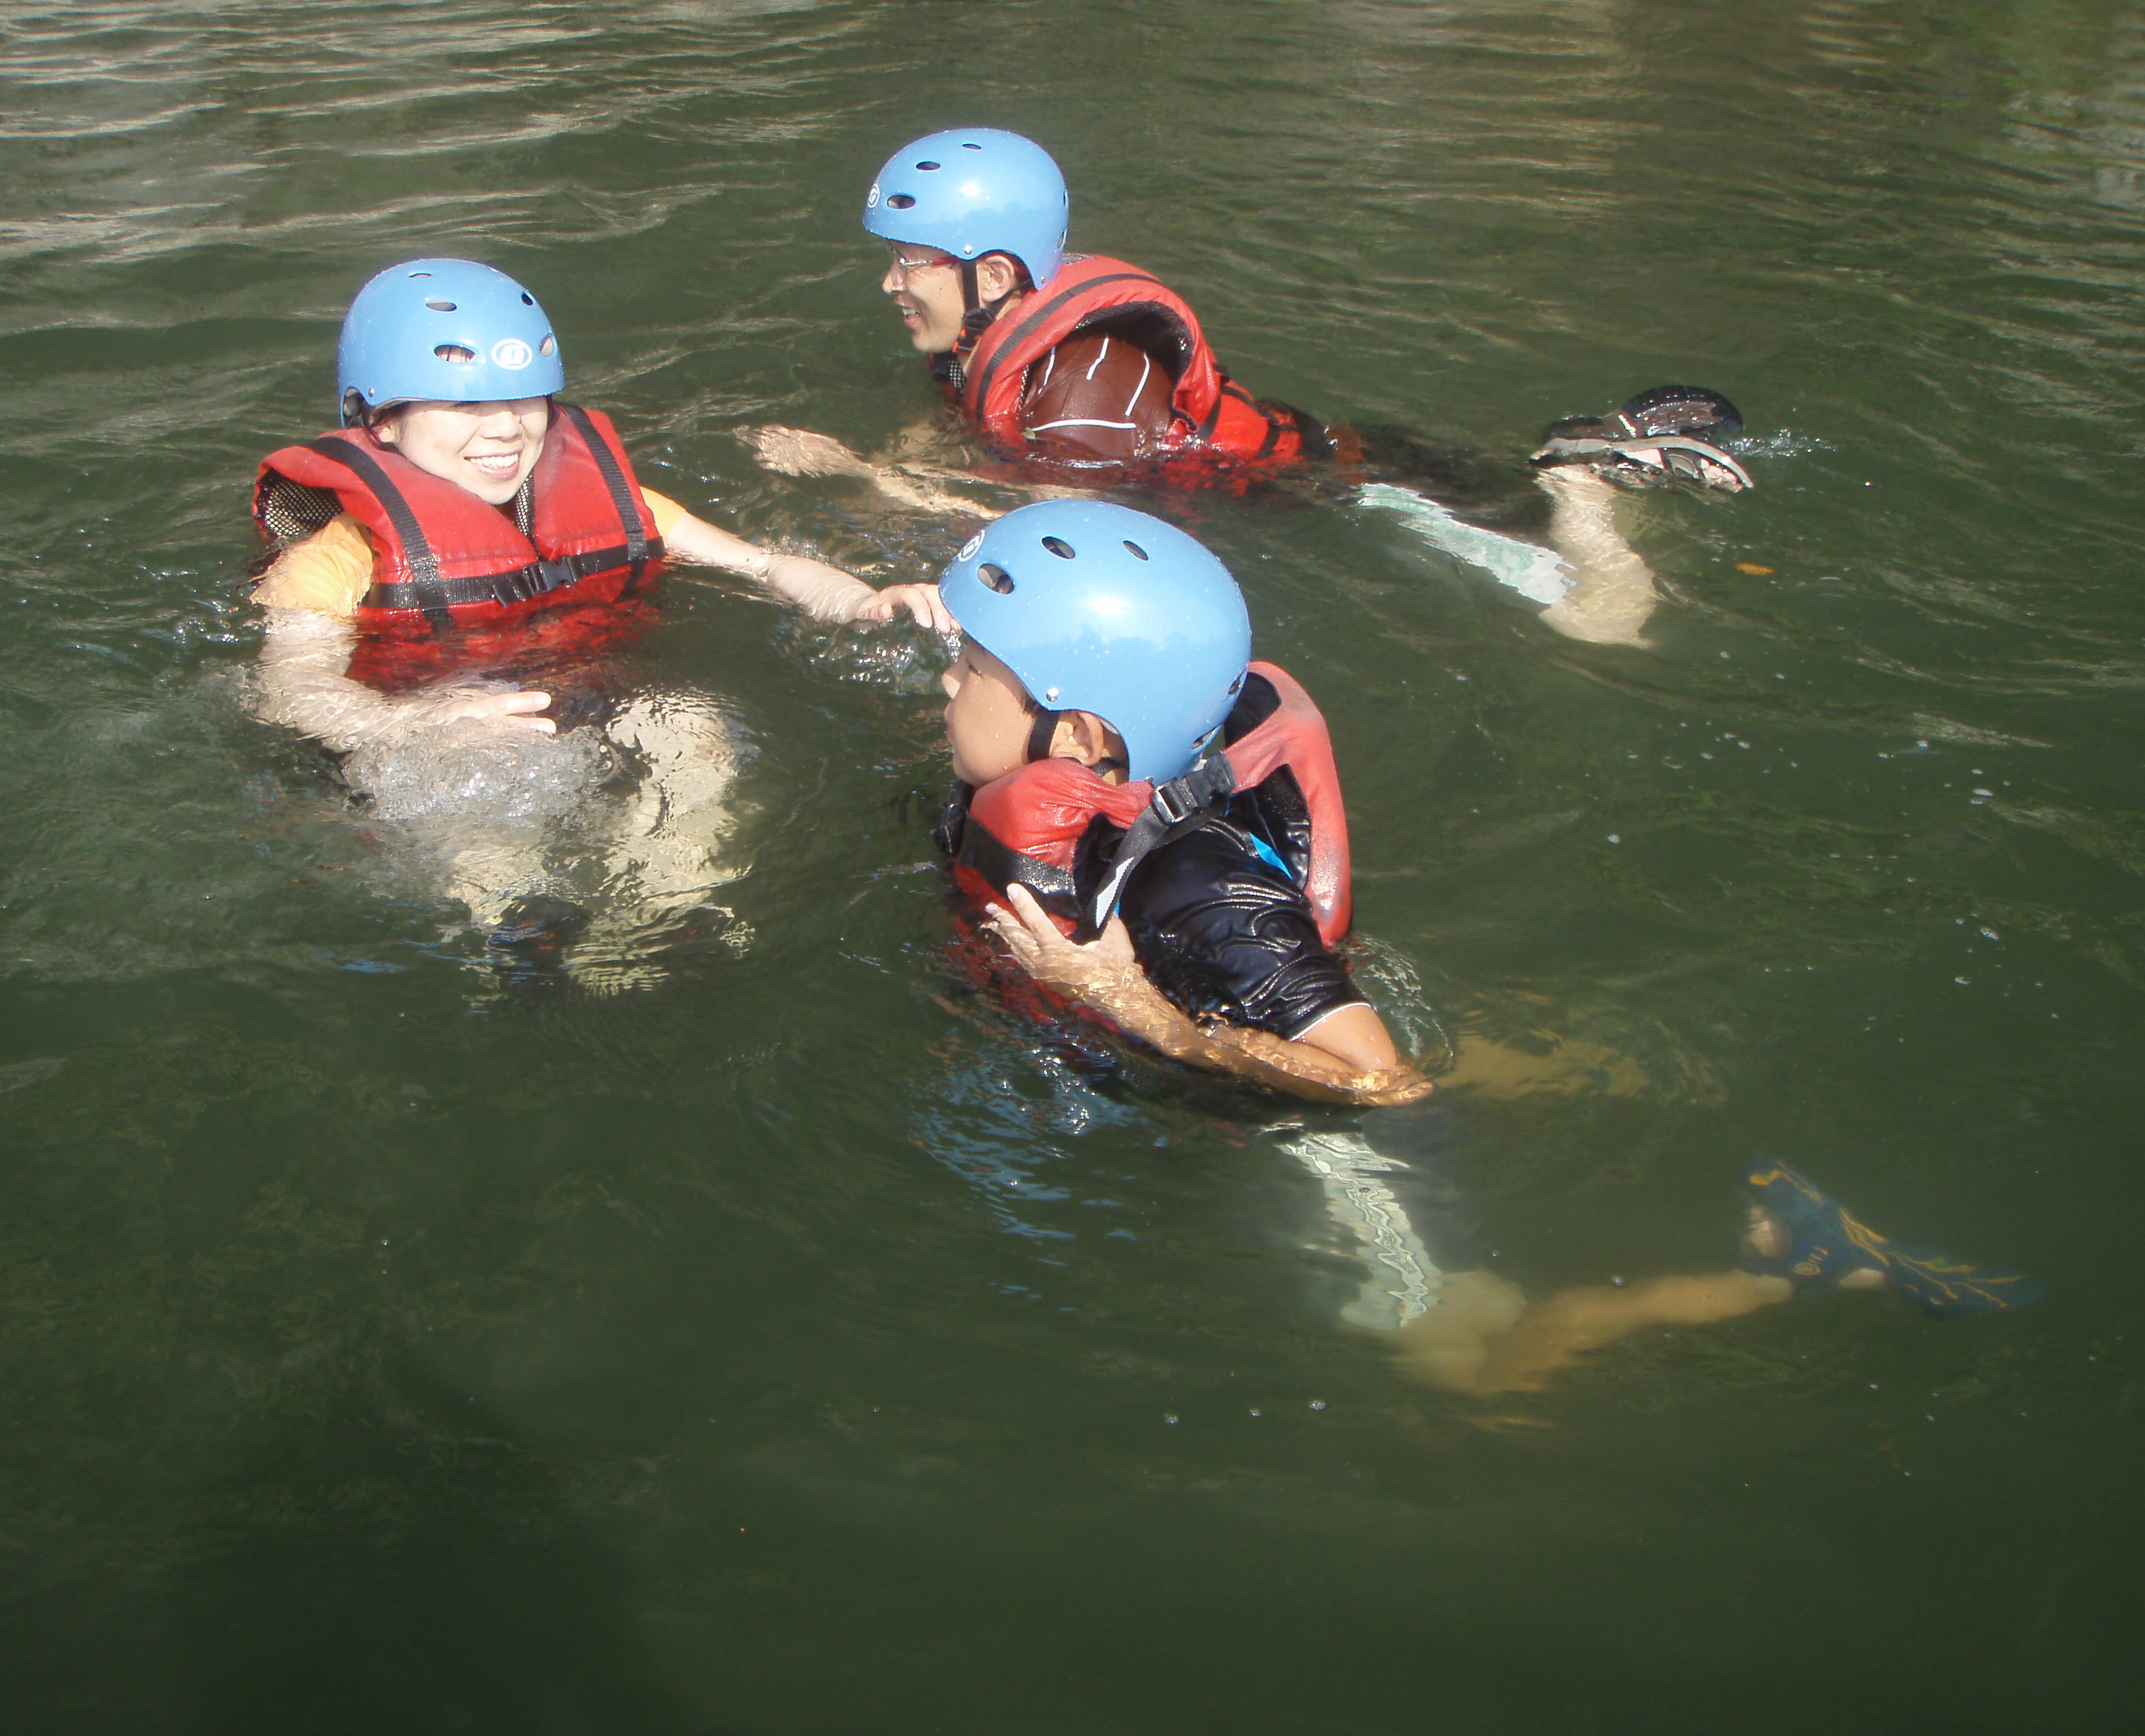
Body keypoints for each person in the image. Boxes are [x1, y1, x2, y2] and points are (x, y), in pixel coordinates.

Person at [748, 129, 1753, 646]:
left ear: (997, 275)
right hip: (1317, 457)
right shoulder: (987, 333)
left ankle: (1583, 489)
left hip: (1351, 492)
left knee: (1599, 619)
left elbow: (1066, 529)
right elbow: (973, 434)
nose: (889, 283)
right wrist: (883, 465)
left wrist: (868, 483)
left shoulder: (1089, 374)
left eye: (909, 261)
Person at [249, 258, 944, 970]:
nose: (505, 430)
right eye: (462, 406)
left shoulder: (615, 503)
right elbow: (290, 691)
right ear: (379, 423)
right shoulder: (335, 559)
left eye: (524, 401)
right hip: (434, 726)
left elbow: (762, 564)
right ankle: (520, 925)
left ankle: (673, 903)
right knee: (477, 786)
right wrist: (417, 721)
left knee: (685, 719)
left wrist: (859, 599)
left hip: (587, 695)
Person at [923, 497, 1430, 1105]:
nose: (947, 681)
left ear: (1080, 736)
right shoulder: (1012, 791)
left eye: (973, 668)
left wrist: (1127, 1002)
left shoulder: (1200, 885)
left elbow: (1383, 1081)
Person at [1286, 1138, 2044, 1395]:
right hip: (1399, 1201)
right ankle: (1820, 1270)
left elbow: (1571, 1319)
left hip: (1370, 1201)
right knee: (1482, 1340)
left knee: (1474, 1372)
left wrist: (1491, 1414)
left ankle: (1806, 1271)